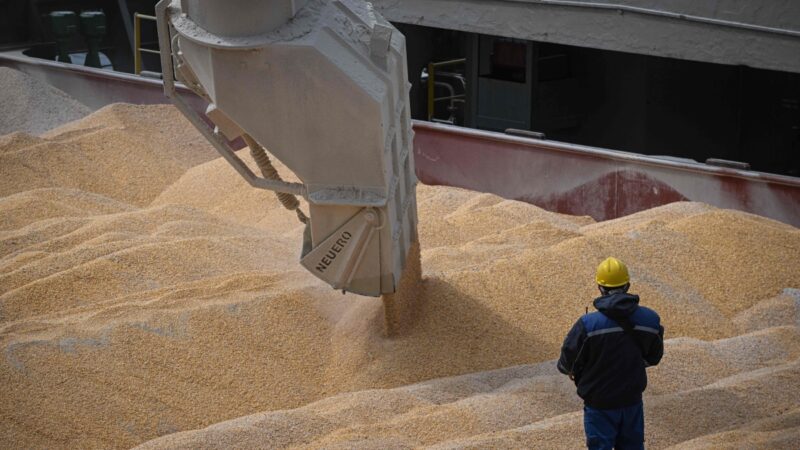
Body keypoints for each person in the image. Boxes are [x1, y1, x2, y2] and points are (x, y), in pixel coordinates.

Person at [557, 257, 664, 450]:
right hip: (632, 401)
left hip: (599, 404)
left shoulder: (587, 325)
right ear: (628, 285)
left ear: (600, 287)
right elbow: (654, 357)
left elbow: (566, 364)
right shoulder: (650, 320)